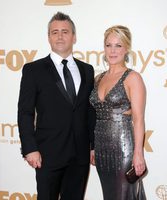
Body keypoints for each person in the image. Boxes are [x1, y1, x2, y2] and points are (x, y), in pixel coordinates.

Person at [17, 12, 95, 200]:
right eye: (55, 32)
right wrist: (29, 148)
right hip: (47, 154)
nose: (60, 36)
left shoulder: (87, 70)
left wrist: (93, 146)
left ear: (74, 37)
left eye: (65, 32)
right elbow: (25, 112)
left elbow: (90, 111)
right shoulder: (33, 70)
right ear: (49, 37)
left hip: (80, 154)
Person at [89, 25, 147, 199]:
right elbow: (94, 115)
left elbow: (138, 119)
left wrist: (138, 154)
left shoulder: (132, 78)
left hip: (123, 149)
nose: (112, 51)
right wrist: (92, 148)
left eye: (118, 45)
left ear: (126, 48)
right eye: (108, 45)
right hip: (101, 149)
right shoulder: (98, 78)